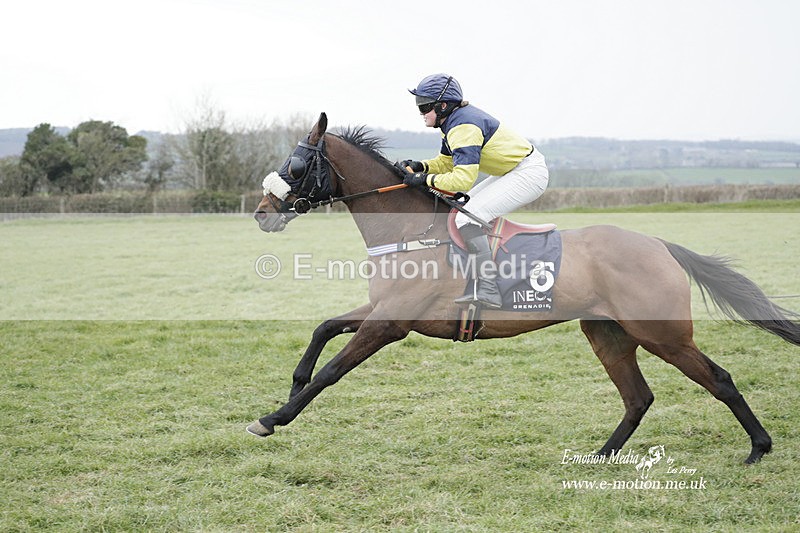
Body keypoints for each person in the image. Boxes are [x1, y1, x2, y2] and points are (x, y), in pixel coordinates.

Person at [401, 73, 549, 309]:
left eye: (425, 106)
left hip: (527, 173)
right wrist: (423, 166)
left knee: (465, 217)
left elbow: (461, 182)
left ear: (443, 106)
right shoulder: (451, 122)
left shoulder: (463, 126)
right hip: (511, 171)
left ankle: (489, 288)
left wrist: (424, 179)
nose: (421, 113)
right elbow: (447, 163)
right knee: (462, 212)